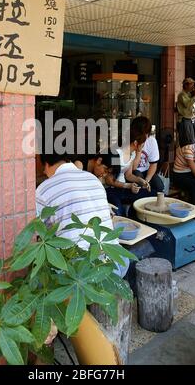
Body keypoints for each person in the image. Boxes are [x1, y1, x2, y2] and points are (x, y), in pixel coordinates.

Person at [36, 149, 129, 278]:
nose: (44, 173)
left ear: (46, 164)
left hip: (83, 269)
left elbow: (36, 233)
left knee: (40, 275)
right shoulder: (93, 178)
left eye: (44, 170)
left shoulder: (44, 189)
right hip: (118, 261)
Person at [105, 117, 156, 217]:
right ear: (136, 143)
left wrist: (141, 181)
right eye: (143, 143)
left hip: (122, 189)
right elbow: (109, 180)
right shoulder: (116, 153)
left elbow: (128, 175)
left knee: (151, 194)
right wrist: (128, 186)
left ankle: (134, 215)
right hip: (110, 190)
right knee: (118, 211)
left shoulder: (132, 154)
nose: (143, 145)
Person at [132, 121, 164, 193]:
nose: (145, 136)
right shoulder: (132, 141)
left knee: (159, 186)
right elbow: (133, 168)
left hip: (146, 170)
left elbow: (153, 164)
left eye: (147, 133)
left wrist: (147, 180)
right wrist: (139, 151)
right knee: (138, 176)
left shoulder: (151, 141)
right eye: (142, 133)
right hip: (133, 171)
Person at [177, 77, 195, 143]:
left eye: (193, 84)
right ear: (186, 85)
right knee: (187, 140)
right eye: (191, 84)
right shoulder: (182, 95)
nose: (193, 86)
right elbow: (187, 105)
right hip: (184, 120)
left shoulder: (188, 94)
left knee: (191, 140)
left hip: (188, 120)